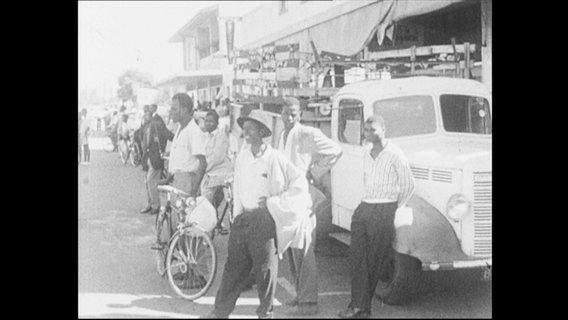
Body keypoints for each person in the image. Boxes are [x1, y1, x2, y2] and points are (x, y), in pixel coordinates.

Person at [201, 113, 312, 319]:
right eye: (245, 128)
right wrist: (236, 215)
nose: (246, 133)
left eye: (251, 128)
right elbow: (237, 186)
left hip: (264, 219)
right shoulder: (242, 157)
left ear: (262, 132)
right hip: (243, 219)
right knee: (233, 269)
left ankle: (265, 314)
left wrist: (274, 203)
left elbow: (300, 185)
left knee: (265, 271)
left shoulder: (274, 158)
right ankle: (220, 312)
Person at [338, 116, 415, 319]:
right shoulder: (366, 153)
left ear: (384, 130)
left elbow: (408, 184)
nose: (368, 133)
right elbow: (365, 180)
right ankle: (358, 306)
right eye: (366, 130)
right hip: (365, 207)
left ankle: (360, 308)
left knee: (373, 261)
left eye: (373, 130)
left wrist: (392, 207)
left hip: (384, 208)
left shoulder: (395, 153)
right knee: (357, 258)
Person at [276, 96, 343, 316]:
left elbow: (335, 151)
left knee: (304, 247)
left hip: (303, 196)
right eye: (286, 113)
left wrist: (313, 173)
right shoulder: (282, 134)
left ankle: (308, 303)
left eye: (294, 113)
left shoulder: (307, 133)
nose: (290, 117)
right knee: (293, 248)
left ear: (300, 114)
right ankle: (300, 294)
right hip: (287, 197)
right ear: (281, 113)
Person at [153, 93, 207, 249]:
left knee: (186, 227)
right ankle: (182, 264)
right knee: (178, 226)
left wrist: (193, 192)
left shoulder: (193, 131)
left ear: (184, 110)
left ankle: (192, 269)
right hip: (176, 181)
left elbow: (202, 163)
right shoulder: (180, 129)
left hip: (186, 182)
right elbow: (178, 161)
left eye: (174, 109)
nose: (171, 111)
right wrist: (168, 178)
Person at [140, 105, 174, 215]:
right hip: (147, 158)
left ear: (151, 113)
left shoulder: (157, 124)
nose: (144, 115)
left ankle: (156, 205)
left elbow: (170, 136)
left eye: (146, 113)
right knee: (147, 182)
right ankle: (150, 204)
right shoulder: (146, 125)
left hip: (155, 159)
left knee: (151, 181)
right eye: (144, 113)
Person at [200, 110, 232, 209]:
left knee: (231, 204)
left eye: (211, 121)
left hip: (222, 175)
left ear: (217, 123)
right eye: (206, 121)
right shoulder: (205, 136)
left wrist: (203, 169)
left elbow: (217, 157)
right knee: (204, 204)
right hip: (210, 175)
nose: (208, 123)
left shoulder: (221, 135)